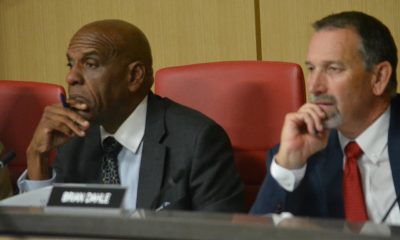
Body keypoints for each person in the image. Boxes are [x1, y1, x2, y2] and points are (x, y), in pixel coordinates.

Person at [17, 19, 244, 212]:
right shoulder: (74, 137)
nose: (71, 77)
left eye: (90, 64)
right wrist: (37, 156)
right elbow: (47, 230)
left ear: (134, 76)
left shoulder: (196, 141)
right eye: (71, 64)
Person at [251, 11, 400, 225]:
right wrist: (288, 165)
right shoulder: (299, 154)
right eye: (311, 68)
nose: (314, 85)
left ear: (379, 77)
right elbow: (255, 235)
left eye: (333, 69)